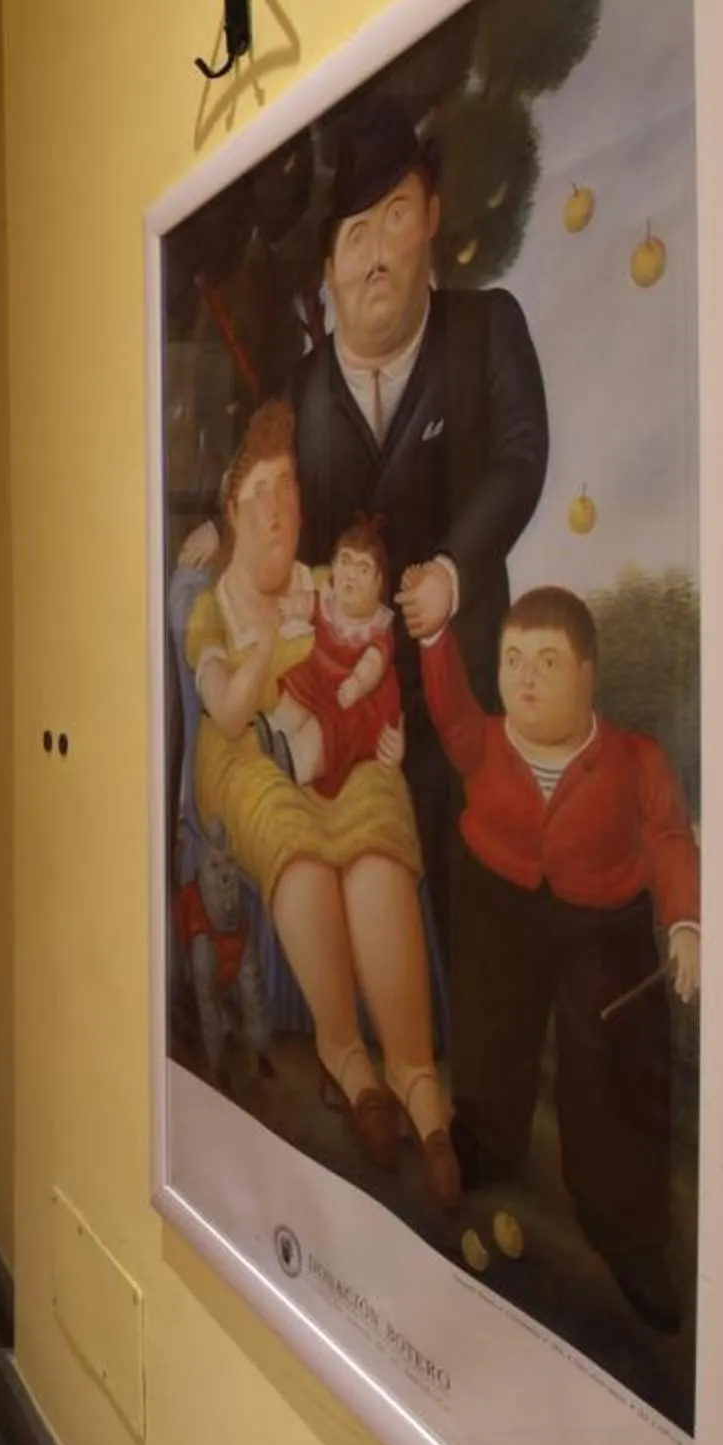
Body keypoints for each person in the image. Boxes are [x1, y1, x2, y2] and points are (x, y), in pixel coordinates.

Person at [185, 402, 460, 1208]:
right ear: (235, 512)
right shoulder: (213, 606)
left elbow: (373, 654)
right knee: (296, 843)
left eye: (289, 490)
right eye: (261, 492)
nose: (279, 509)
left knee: (375, 826)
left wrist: (392, 737)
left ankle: (416, 1080)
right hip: (248, 758)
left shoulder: (325, 583)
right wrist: (266, 635)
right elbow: (229, 713)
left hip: (337, 747)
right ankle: (348, 1060)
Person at [286, 96, 551, 927]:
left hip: (461, 693)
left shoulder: (488, 329)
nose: (373, 259)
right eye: (353, 235)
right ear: (329, 268)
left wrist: (454, 568)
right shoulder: (300, 396)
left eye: (394, 216)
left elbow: (519, 456)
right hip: (349, 705)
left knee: (474, 898)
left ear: (431, 218)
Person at [410, 583, 699, 1330]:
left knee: (613, 1064)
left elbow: (669, 839)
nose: (526, 677)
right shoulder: (488, 740)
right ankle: (488, 1143)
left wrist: (687, 924)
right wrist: (439, 637)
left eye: (546, 660)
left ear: (587, 673)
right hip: (497, 893)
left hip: (602, 917)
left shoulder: (637, 760)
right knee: (492, 1031)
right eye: (512, 660)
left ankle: (628, 1235)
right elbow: (451, 713)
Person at [266, 516, 400, 802]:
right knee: (294, 692)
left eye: (363, 569)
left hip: (352, 699)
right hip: (319, 678)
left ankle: (298, 761)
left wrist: (357, 684)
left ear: (380, 586)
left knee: (327, 728)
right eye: (345, 561)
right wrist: (289, 608)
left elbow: (373, 664)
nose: (350, 574)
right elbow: (307, 603)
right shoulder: (328, 604)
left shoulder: (376, 629)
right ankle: (277, 729)